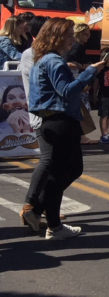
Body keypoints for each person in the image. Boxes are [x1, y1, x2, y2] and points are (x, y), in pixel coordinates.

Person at [27, 18, 105, 239]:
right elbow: (67, 91)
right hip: (59, 120)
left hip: (56, 120)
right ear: (57, 37)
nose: (72, 39)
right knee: (60, 172)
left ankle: (43, 214)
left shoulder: (45, 59)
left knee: (65, 170)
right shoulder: (54, 61)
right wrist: (89, 73)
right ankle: (48, 219)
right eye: (69, 35)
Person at [17, 15, 49, 232]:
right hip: (43, 115)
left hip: (53, 115)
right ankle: (33, 207)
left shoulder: (47, 54)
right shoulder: (32, 54)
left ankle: (40, 207)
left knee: (65, 165)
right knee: (50, 162)